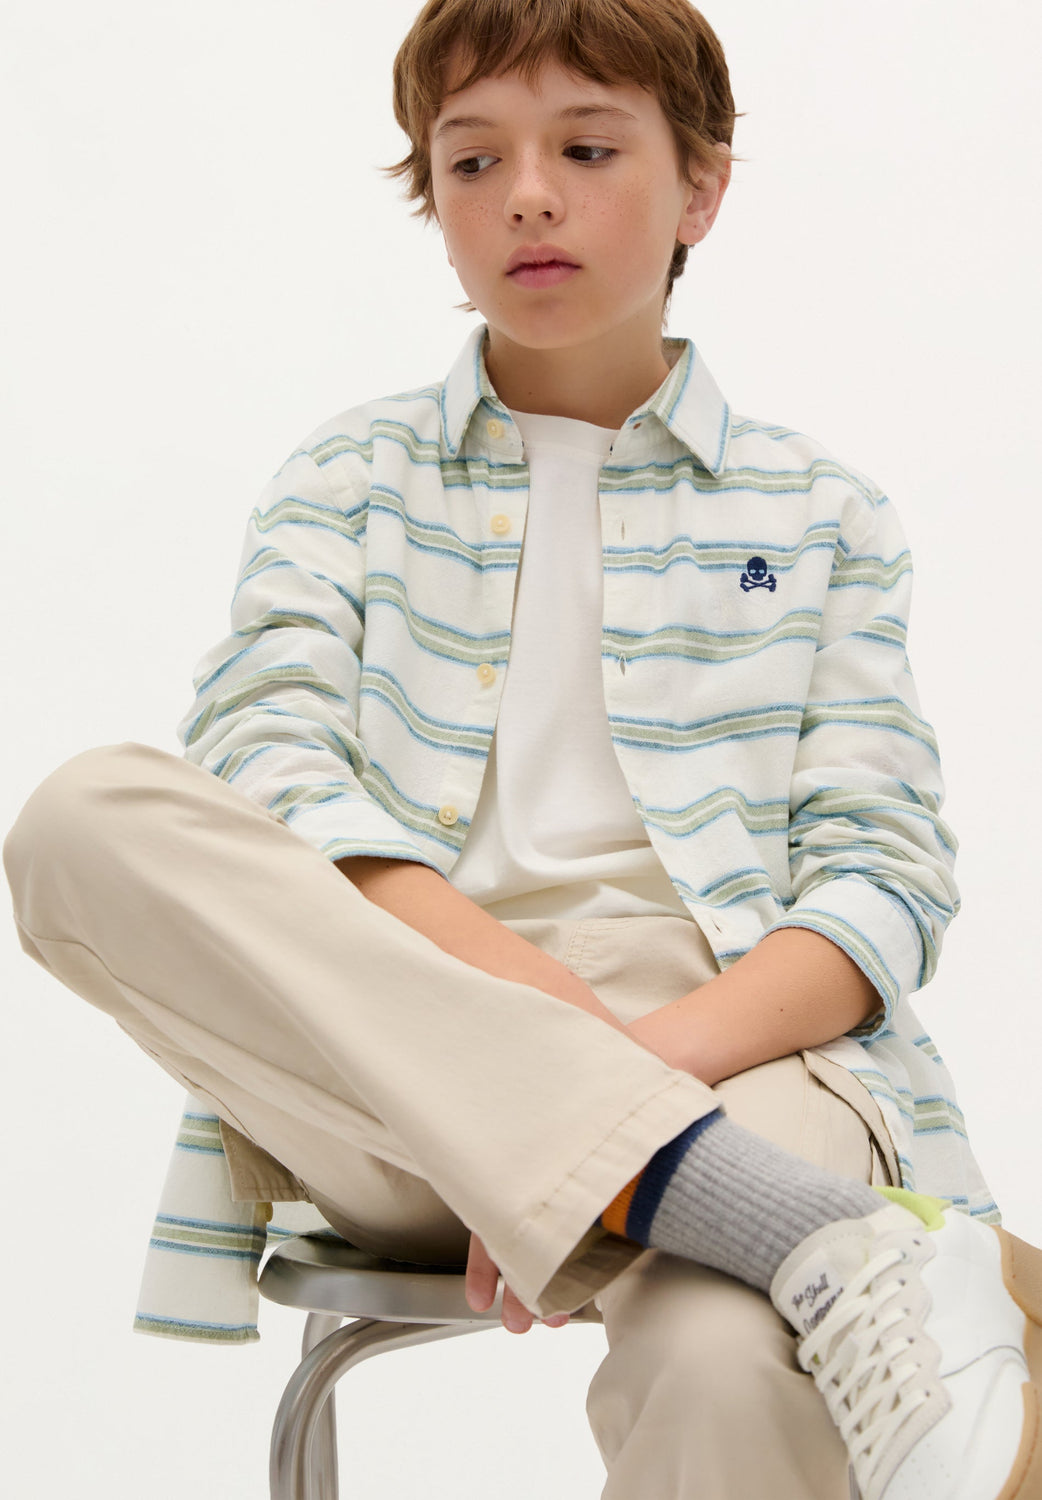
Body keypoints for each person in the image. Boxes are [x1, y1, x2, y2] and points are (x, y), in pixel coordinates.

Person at [4, 1, 1041, 1496]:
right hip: (403, 1053)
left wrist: (619, 1087)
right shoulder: (346, 479)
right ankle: (803, 1229)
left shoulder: (822, 513)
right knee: (83, 817)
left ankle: (745, 1212)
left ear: (700, 188)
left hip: (732, 1051)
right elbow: (268, 768)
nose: (528, 198)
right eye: (474, 160)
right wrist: (534, 1039)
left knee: (723, 1353)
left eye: (587, 150)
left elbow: (881, 881)